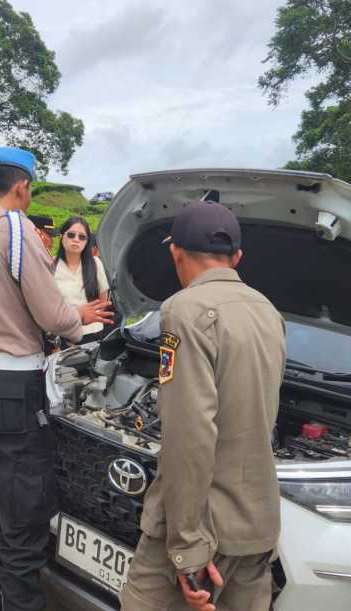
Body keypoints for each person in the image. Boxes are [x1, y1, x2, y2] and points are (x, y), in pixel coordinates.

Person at [0, 147, 113, 611]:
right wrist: (80, 320)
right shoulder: (17, 231)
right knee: (22, 519)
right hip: (11, 391)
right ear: (22, 187)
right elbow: (52, 314)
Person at [120, 201, 286, 611]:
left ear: (175, 252)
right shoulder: (269, 312)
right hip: (256, 525)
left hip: (204, 527)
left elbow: (189, 436)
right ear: (237, 257)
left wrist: (186, 547)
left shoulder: (183, 310)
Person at [54, 216, 110, 345]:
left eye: (82, 237)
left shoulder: (96, 263)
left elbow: (103, 297)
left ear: (87, 241)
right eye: (71, 235)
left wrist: (94, 317)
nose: (76, 239)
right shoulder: (51, 265)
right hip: (64, 334)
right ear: (61, 237)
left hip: (93, 334)